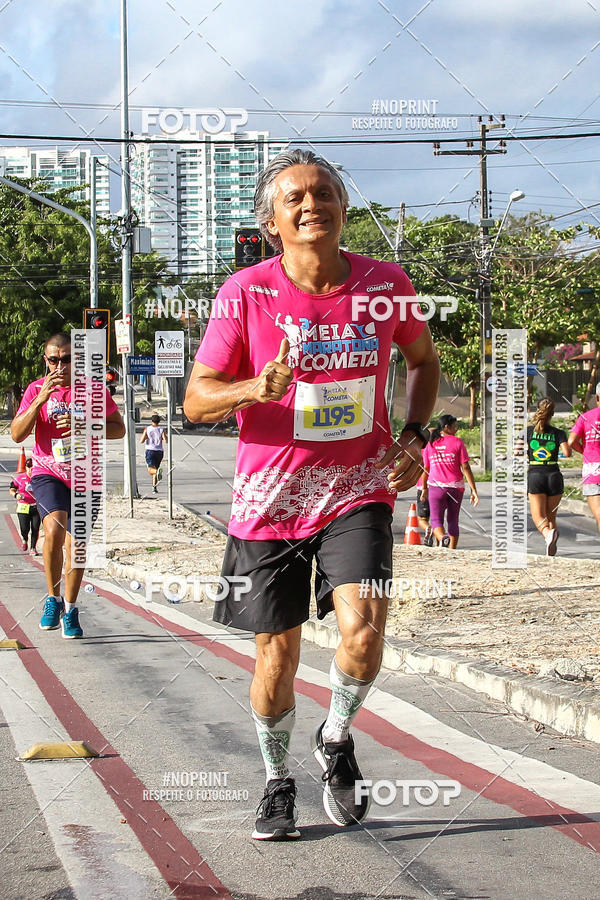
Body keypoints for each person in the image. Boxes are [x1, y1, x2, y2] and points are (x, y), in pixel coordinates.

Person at [183, 149, 440, 840]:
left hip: (358, 491)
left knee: (365, 630)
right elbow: (197, 399)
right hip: (268, 505)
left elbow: (423, 361)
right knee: (277, 655)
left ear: (343, 208)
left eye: (323, 193)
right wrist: (251, 387)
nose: (311, 205)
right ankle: (276, 780)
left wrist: (414, 436)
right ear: (271, 221)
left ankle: (336, 736)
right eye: (293, 197)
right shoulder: (245, 292)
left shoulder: (386, 284)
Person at [11, 333, 125, 638]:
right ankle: (53, 598)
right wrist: (39, 400)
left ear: (77, 360)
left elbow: (119, 430)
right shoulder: (35, 389)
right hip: (49, 471)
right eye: (53, 360)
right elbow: (17, 434)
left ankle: (71, 609)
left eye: (66, 359)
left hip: (86, 476)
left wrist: (86, 425)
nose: (59, 366)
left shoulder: (94, 390)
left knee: (77, 544)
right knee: (54, 529)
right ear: (46, 360)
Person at [420, 414, 479, 549]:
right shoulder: (458, 442)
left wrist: (424, 488)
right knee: (453, 520)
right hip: (456, 487)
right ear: (447, 427)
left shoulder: (431, 444)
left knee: (436, 520)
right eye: (455, 426)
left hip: (436, 487)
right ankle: (452, 551)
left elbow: (426, 469)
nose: (456, 429)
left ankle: (443, 538)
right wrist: (473, 490)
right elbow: (466, 467)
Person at [527, 398, 570, 556]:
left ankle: (547, 534)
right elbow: (567, 453)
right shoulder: (559, 433)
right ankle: (551, 551)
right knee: (551, 516)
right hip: (554, 476)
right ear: (552, 413)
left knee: (538, 516)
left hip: (536, 475)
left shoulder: (528, 432)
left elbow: (517, 450)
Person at [568, 383, 600, 533]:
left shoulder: (586, 417)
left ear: (597, 398)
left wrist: (584, 451)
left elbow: (571, 441)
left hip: (592, 471)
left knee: (599, 514)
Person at [9, 458, 41, 555]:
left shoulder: (39, 478)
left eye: (33, 468)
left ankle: (33, 548)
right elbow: (12, 489)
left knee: (35, 528)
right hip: (23, 506)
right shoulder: (19, 478)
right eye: (29, 468)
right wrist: (16, 495)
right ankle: (24, 539)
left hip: (36, 506)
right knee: (24, 528)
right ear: (26, 468)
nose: (31, 470)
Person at [140, 414, 167, 493]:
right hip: (159, 451)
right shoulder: (161, 429)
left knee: (150, 469)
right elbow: (166, 440)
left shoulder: (147, 429)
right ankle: (154, 487)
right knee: (155, 468)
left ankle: (156, 473)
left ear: (151, 421)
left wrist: (146, 437)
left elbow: (141, 441)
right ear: (159, 421)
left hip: (150, 450)